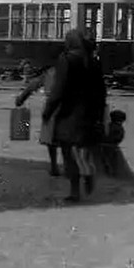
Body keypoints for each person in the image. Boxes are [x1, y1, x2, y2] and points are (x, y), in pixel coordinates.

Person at [43, 30, 108, 203]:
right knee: (83, 151)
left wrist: (48, 112)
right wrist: (100, 116)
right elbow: (101, 93)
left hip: (69, 115)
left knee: (68, 154)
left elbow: (59, 90)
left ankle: (74, 192)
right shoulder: (93, 62)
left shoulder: (67, 60)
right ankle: (88, 173)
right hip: (89, 115)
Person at [15, 64, 61, 177]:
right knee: (68, 139)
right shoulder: (73, 69)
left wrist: (20, 99)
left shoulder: (49, 72)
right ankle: (70, 167)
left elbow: (32, 86)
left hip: (52, 107)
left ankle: (54, 166)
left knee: (51, 139)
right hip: (70, 106)